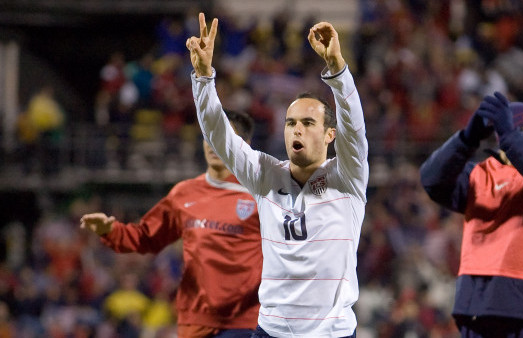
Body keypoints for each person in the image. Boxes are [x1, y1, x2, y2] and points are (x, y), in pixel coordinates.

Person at [186, 13, 368, 338]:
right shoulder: (266, 175)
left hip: (332, 333)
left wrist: (338, 71)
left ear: (330, 135)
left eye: (308, 123)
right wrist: (203, 79)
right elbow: (220, 136)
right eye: (290, 122)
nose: (296, 128)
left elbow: (355, 128)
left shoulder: (347, 176)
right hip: (271, 331)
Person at [80, 109, 262, 338]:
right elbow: (146, 236)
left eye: (224, 136)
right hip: (193, 324)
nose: (214, 143)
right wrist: (110, 230)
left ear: (244, 144)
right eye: (210, 135)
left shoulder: (262, 194)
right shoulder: (184, 193)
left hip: (243, 324)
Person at [420, 92, 523, 337]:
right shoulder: (477, 176)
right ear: (500, 134)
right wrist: (466, 140)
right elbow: (431, 179)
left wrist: (512, 137)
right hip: (477, 305)